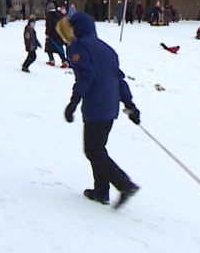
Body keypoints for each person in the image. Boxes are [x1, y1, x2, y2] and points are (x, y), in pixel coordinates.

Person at [58, 12, 141, 209]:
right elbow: (119, 79)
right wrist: (130, 105)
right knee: (98, 148)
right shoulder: (108, 49)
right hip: (110, 106)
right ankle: (101, 191)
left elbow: (85, 76)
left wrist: (73, 102)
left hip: (96, 104)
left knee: (93, 150)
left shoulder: (78, 46)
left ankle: (124, 184)